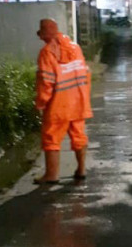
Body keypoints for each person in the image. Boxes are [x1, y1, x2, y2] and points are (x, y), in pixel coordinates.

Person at [34, 18, 93, 184]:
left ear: (44, 35)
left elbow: (46, 81)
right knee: (79, 136)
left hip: (58, 104)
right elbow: (85, 73)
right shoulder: (75, 47)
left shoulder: (47, 53)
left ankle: (52, 175)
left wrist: (41, 103)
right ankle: (81, 169)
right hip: (79, 101)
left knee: (51, 138)